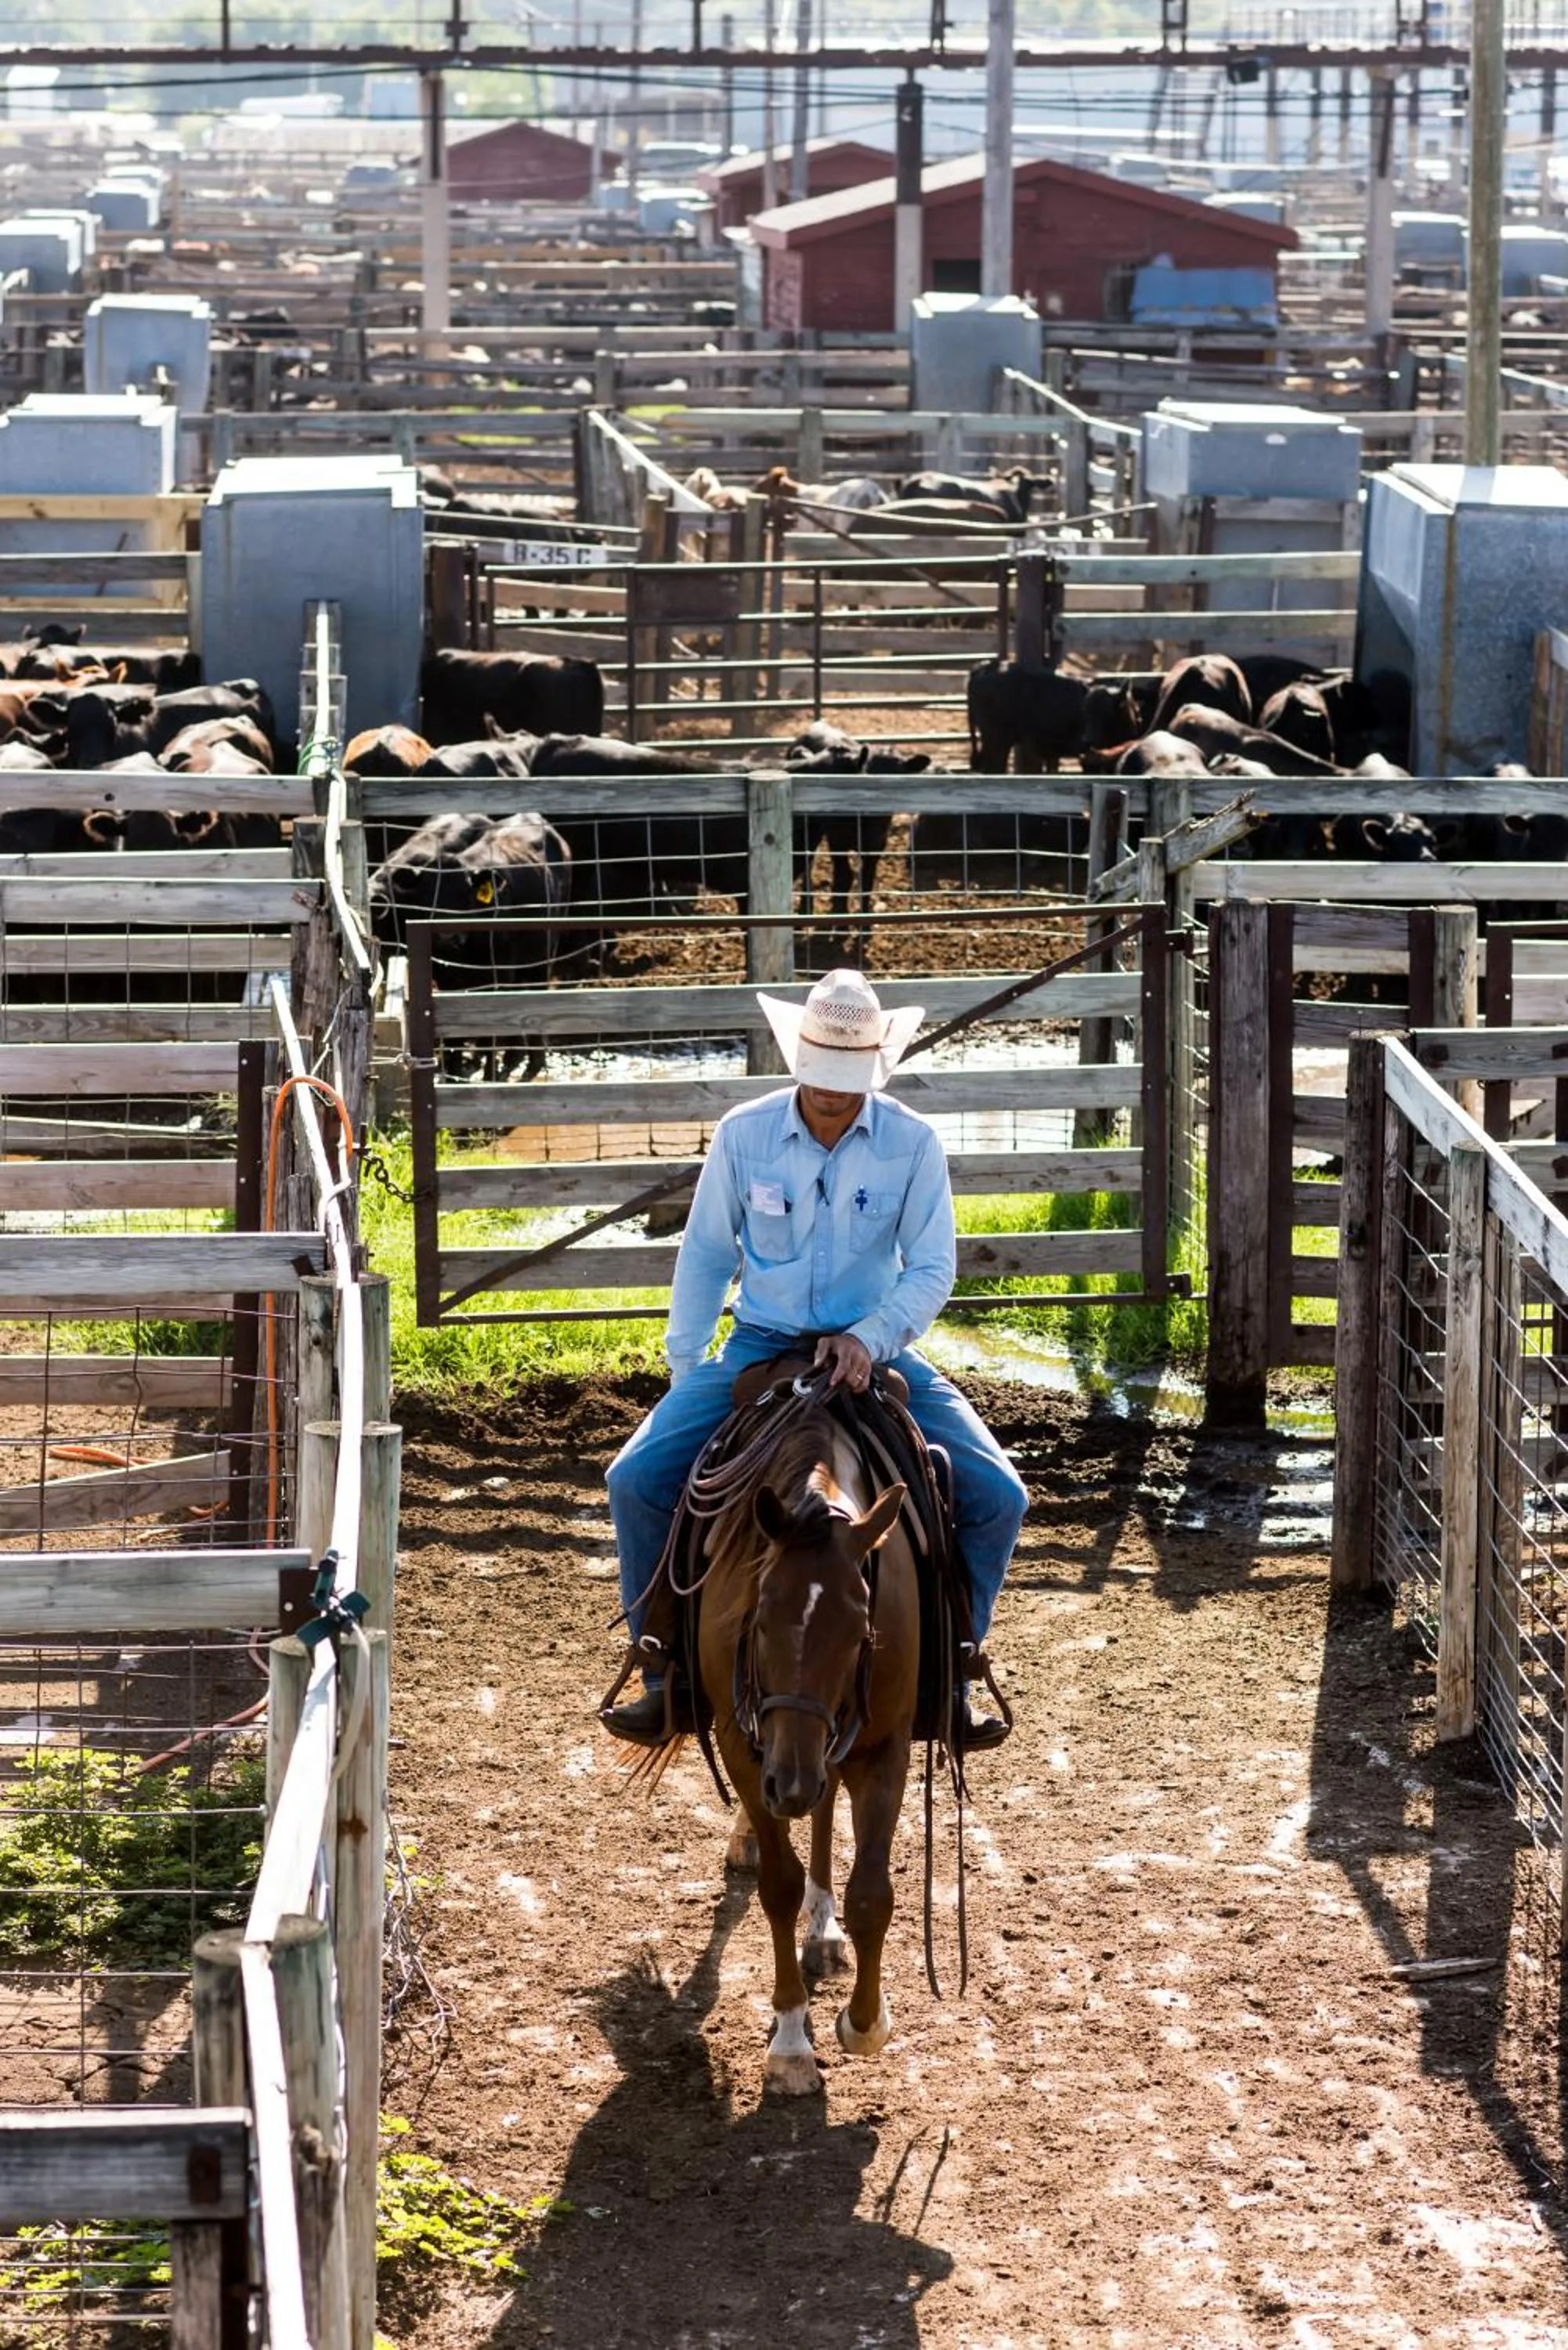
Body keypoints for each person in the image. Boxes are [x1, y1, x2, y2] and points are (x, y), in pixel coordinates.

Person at [602, 967, 1028, 1749]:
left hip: (874, 1346)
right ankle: (662, 1668)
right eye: (821, 1078)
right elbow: (704, 1254)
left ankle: (956, 1668)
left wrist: (869, 1337)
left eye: (847, 1080)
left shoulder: (912, 1143)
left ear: (875, 1064)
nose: (832, 1095)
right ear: (798, 1058)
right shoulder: (745, 1134)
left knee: (1001, 1495)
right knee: (632, 1480)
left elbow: (932, 1269)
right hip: (761, 1342)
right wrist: (688, 1367)